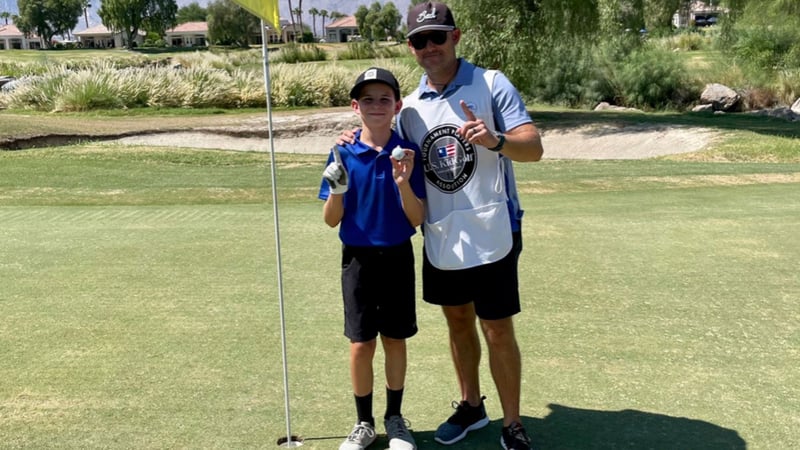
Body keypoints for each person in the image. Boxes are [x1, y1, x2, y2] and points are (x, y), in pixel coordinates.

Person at [338, 2, 544, 449]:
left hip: (493, 228)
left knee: (497, 327)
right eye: (418, 40)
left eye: (437, 36)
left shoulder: (491, 84)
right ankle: (472, 406)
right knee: (456, 321)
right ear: (410, 48)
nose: (429, 47)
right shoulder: (409, 108)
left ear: (456, 36)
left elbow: (534, 147)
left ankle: (512, 424)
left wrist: (497, 140)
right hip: (442, 234)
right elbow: (384, 141)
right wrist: (350, 137)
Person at [319, 67, 427, 450]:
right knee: (361, 343)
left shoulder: (407, 155)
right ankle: (363, 423)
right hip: (358, 261)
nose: (376, 106)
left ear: (397, 105)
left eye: (384, 99)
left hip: (397, 256)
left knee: (395, 340)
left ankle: (394, 418)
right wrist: (337, 188)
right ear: (355, 106)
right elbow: (331, 220)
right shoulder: (342, 153)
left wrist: (403, 183)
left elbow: (417, 218)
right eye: (367, 99)